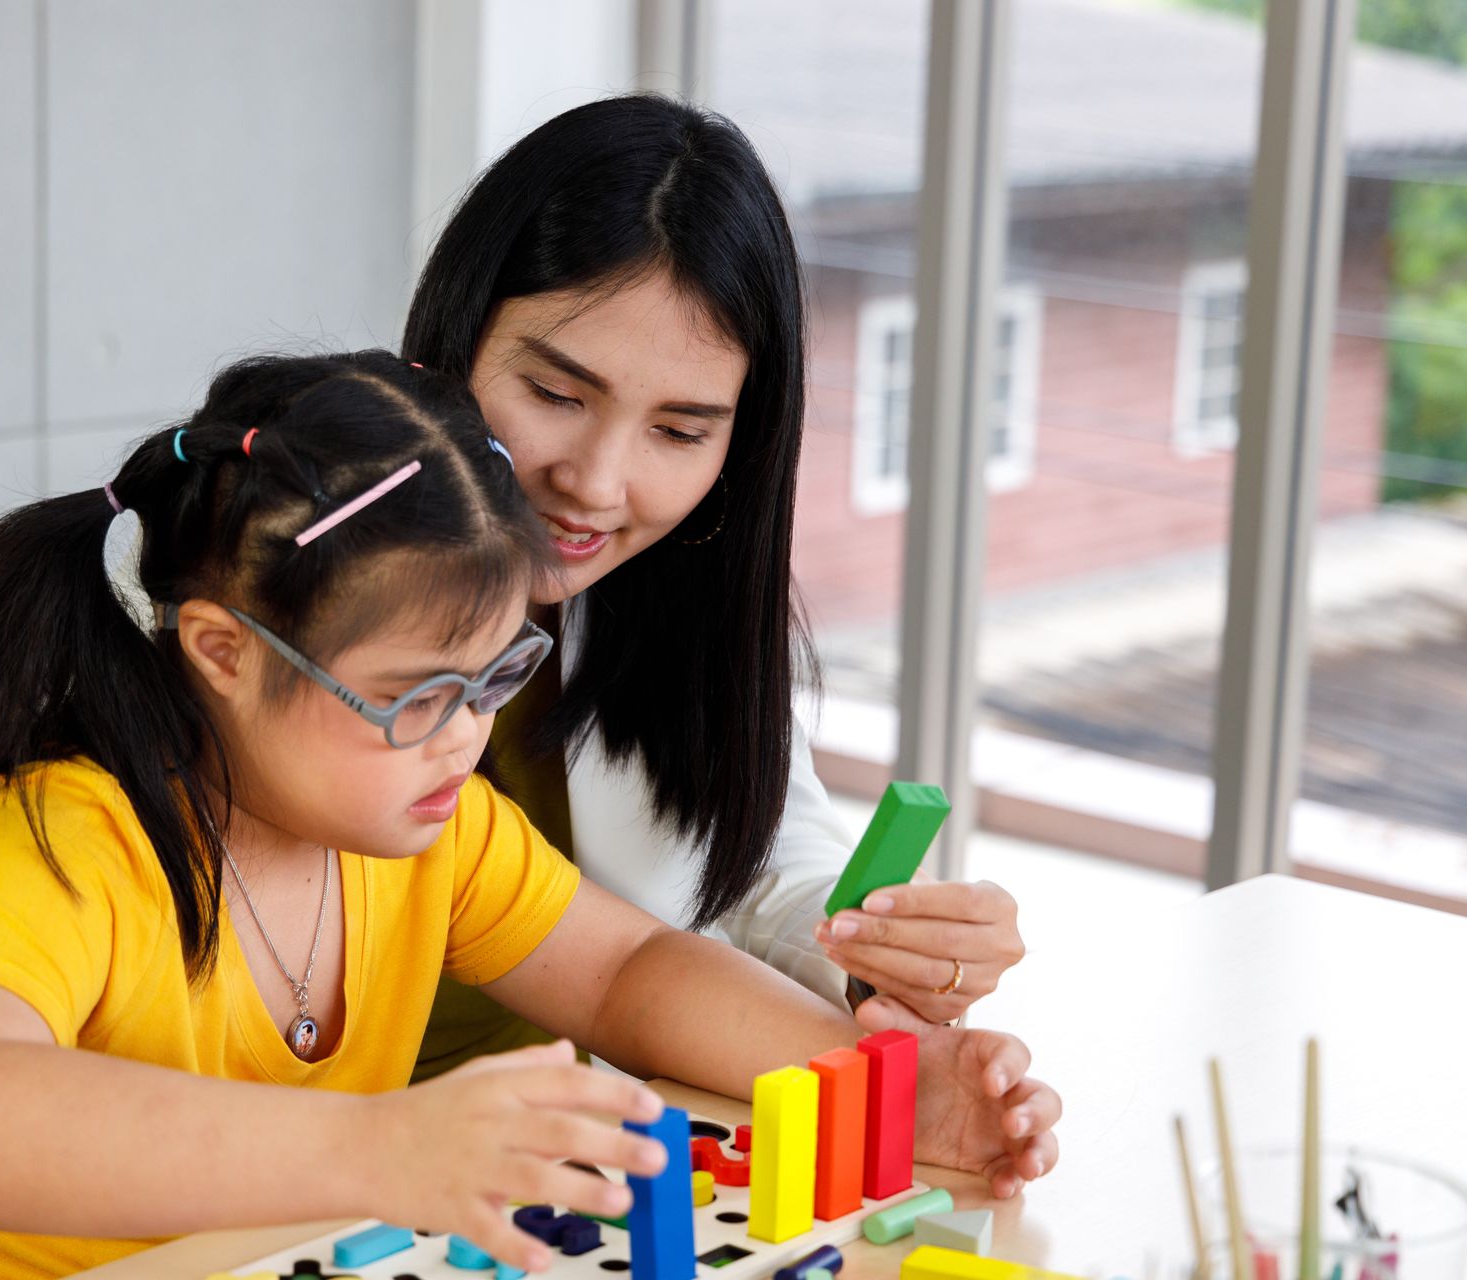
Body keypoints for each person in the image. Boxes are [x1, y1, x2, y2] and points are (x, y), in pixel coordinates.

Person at [0, 351, 1060, 1279]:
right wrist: (381, 1145)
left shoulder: (427, 827)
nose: (465, 734)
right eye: (415, 695)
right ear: (223, 652)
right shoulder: (67, 837)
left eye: (495, 677)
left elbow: (628, 971)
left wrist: (883, 1086)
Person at [401, 95, 1026, 1077]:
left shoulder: (678, 588)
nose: (598, 483)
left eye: (681, 431)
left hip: (584, 1161)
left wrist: (878, 951)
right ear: (452, 339)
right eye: (558, 396)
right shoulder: (283, 590)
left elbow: (748, 867)